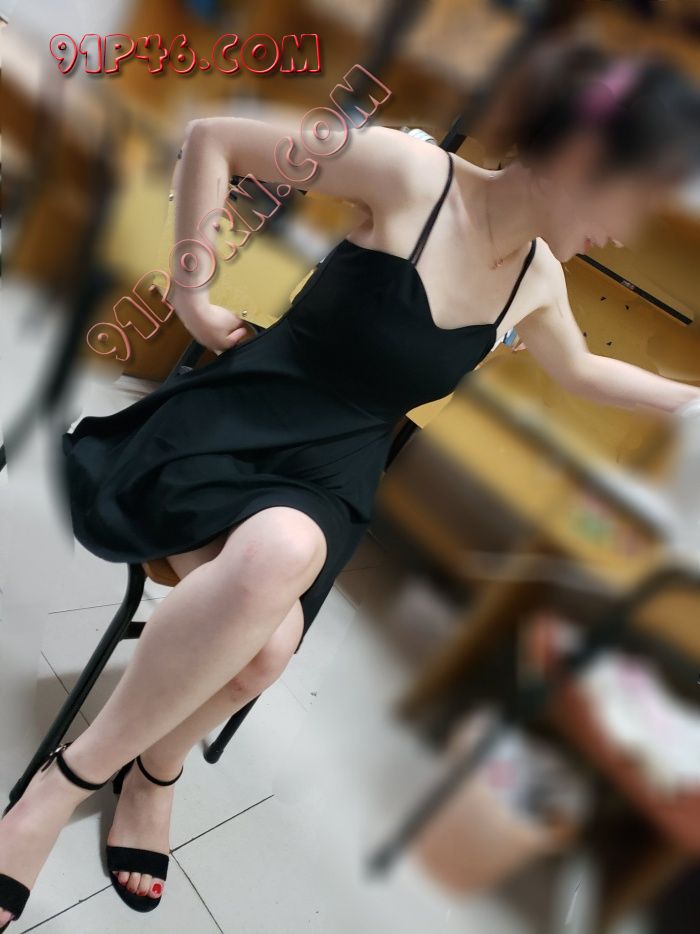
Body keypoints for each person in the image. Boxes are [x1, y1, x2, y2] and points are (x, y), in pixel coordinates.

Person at [2, 34, 700, 929]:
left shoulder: (538, 280)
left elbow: (590, 373)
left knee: (267, 636)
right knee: (268, 627)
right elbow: (216, 137)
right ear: (582, 155)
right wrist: (191, 296)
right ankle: (82, 786)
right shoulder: (412, 175)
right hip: (240, 421)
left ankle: (140, 771)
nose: (624, 231)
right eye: (632, 199)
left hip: (333, 476)